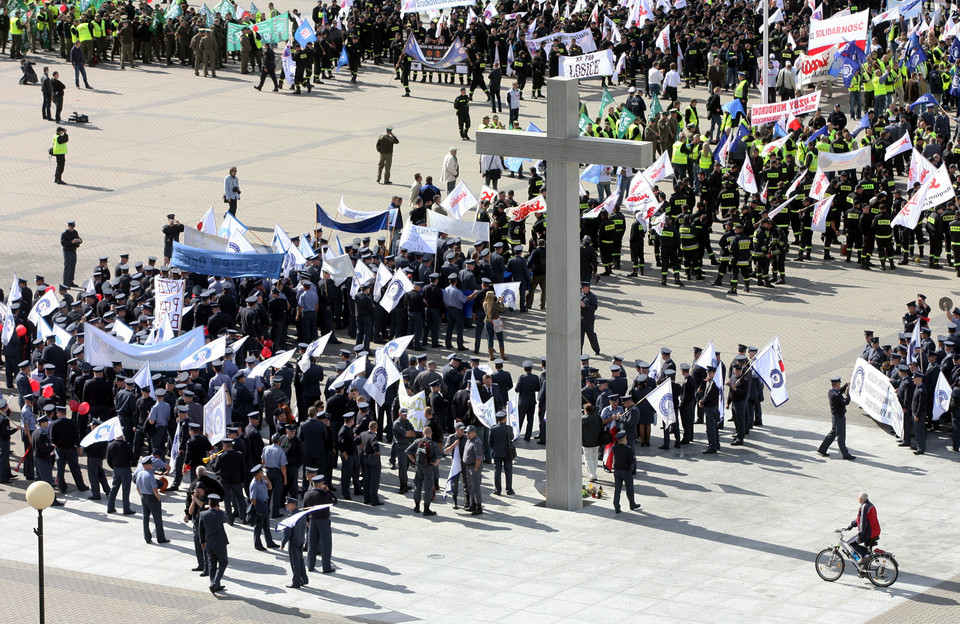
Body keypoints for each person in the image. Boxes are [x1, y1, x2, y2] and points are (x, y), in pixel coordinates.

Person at [303, 473, 338, 573]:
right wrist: (328, 491)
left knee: (311, 544)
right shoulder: (324, 495)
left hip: (312, 521)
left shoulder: (307, 494)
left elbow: (304, 510)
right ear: (321, 484)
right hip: (323, 521)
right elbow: (335, 501)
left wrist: (307, 521)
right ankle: (326, 567)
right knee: (326, 544)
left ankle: (310, 565)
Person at [405, 425, 441, 516]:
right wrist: (435, 464)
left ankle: (417, 506)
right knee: (428, 488)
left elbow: (408, 451)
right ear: (431, 434)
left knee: (418, 486)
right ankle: (426, 508)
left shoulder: (417, 441)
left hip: (419, 467)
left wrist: (413, 460)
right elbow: (439, 457)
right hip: (428, 467)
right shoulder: (433, 444)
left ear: (423, 433)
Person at [817, 376, 856, 460]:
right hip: (839, 417)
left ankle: (822, 449)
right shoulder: (836, 395)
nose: (840, 385)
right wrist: (848, 393)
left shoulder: (831, 392)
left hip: (835, 416)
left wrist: (845, 386)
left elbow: (839, 392)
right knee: (841, 436)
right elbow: (846, 402)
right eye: (840, 384)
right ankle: (845, 454)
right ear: (837, 384)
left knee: (833, 433)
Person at [198, 492, 230, 594]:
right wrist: (221, 510)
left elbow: (200, 529)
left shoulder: (203, 514)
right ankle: (214, 583)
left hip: (208, 543)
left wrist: (202, 541)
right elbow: (228, 519)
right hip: (220, 543)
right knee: (223, 563)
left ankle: (215, 585)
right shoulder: (220, 514)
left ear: (209, 502)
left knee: (212, 564)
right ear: (217, 504)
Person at [135, 456, 170, 544]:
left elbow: (138, 488)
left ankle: (147, 538)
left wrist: (141, 496)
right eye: (150, 464)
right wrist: (158, 498)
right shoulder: (150, 475)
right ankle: (160, 538)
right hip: (152, 497)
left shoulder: (139, 474)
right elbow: (155, 489)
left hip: (144, 496)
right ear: (146, 465)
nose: (152, 465)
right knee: (157, 518)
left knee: (145, 518)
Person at [845, 492, 881, 571]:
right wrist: (851, 525)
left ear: (860, 499)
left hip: (869, 532)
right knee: (864, 548)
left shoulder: (864, 507)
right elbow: (860, 519)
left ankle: (865, 557)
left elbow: (862, 522)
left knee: (850, 542)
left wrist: (860, 534)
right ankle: (865, 566)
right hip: (875, 531)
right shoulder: (870, 505)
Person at [249, 464, 280, 550]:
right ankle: (257, 544)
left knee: (266, 525)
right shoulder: (254, 484)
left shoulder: (262, 480)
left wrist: (267, 479)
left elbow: (270, 488)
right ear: (257, 474)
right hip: (260, 506)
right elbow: (252, 499)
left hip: (265, 504)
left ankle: (269, 542)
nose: (263, 474)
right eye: (262, 472)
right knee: (258, 526)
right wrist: (258, 509)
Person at [282, 496, 309, 589]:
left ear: (293, 505)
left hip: (293, 541)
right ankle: (304, 579)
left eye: (288, 504)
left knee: (295, 563)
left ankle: (296, 582)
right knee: (300, 560)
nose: (286, 506)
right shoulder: (302, 515)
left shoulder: (291, 517)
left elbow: (287, 532)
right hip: (301, 539)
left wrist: (283, 543)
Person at [612, 430, 640, 513]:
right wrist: (634, 459)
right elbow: (631, 461)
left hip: (617, 471)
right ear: (624, 439)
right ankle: (632, 504)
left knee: (617, 489)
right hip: (626, 471)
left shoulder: (614, 448)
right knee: (629, 488)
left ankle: (616, 505)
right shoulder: (628, 449)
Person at [106, 433, 134, 513]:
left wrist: (114, 467)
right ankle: (126, 509)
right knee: (126, 490)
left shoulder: (110, 445)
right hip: (125, 469)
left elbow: (108, 460)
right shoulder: (126, 445)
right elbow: (132, 457)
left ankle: (110, 507)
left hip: (116, 469)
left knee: (114, 489)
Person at [489, 411, 514, 496]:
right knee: (508, 471)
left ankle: (498, 490)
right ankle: (509, 489)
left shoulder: (492, 429)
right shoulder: (509, 428)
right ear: (505, 419)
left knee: (497, 471)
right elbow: (512, 437)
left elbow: (490, 442)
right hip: (507, 453)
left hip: (497, 453)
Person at [462, 424, 483, 515]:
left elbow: (479, 458)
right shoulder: (469, 441)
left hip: (474, 467)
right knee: (470, 487)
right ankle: (472, 505)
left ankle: (479, 507)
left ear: (474, 433)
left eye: (469, 433)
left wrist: (475, 469)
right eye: (466, 433)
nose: (467, 434)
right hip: (468, 467)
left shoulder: (477, 442)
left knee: (475, 487)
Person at [580, 282, 600, 355]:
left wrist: (585, 306)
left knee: (591, 335)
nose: (583, 289)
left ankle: (596, 349)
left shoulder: (592, 297)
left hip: (588, 319)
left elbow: (594, 307)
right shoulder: (581, 295)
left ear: (588, 288)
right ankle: (579, 352)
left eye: (584, 288)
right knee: (580, 336)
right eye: (582, 288)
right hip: (581, 319)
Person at [60, 220, 81, 287]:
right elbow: (63, 243)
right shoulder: (65, 233)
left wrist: (79, 240)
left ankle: (70, 281)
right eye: (71, 227)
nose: (72, 228)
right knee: (67, 266)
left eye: (73, 227)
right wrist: (71, 242)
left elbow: (78, 239)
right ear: (68, 226)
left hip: (73, 250)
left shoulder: (75, 232)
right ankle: (66, 282)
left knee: (73, 266)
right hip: (67, 251)